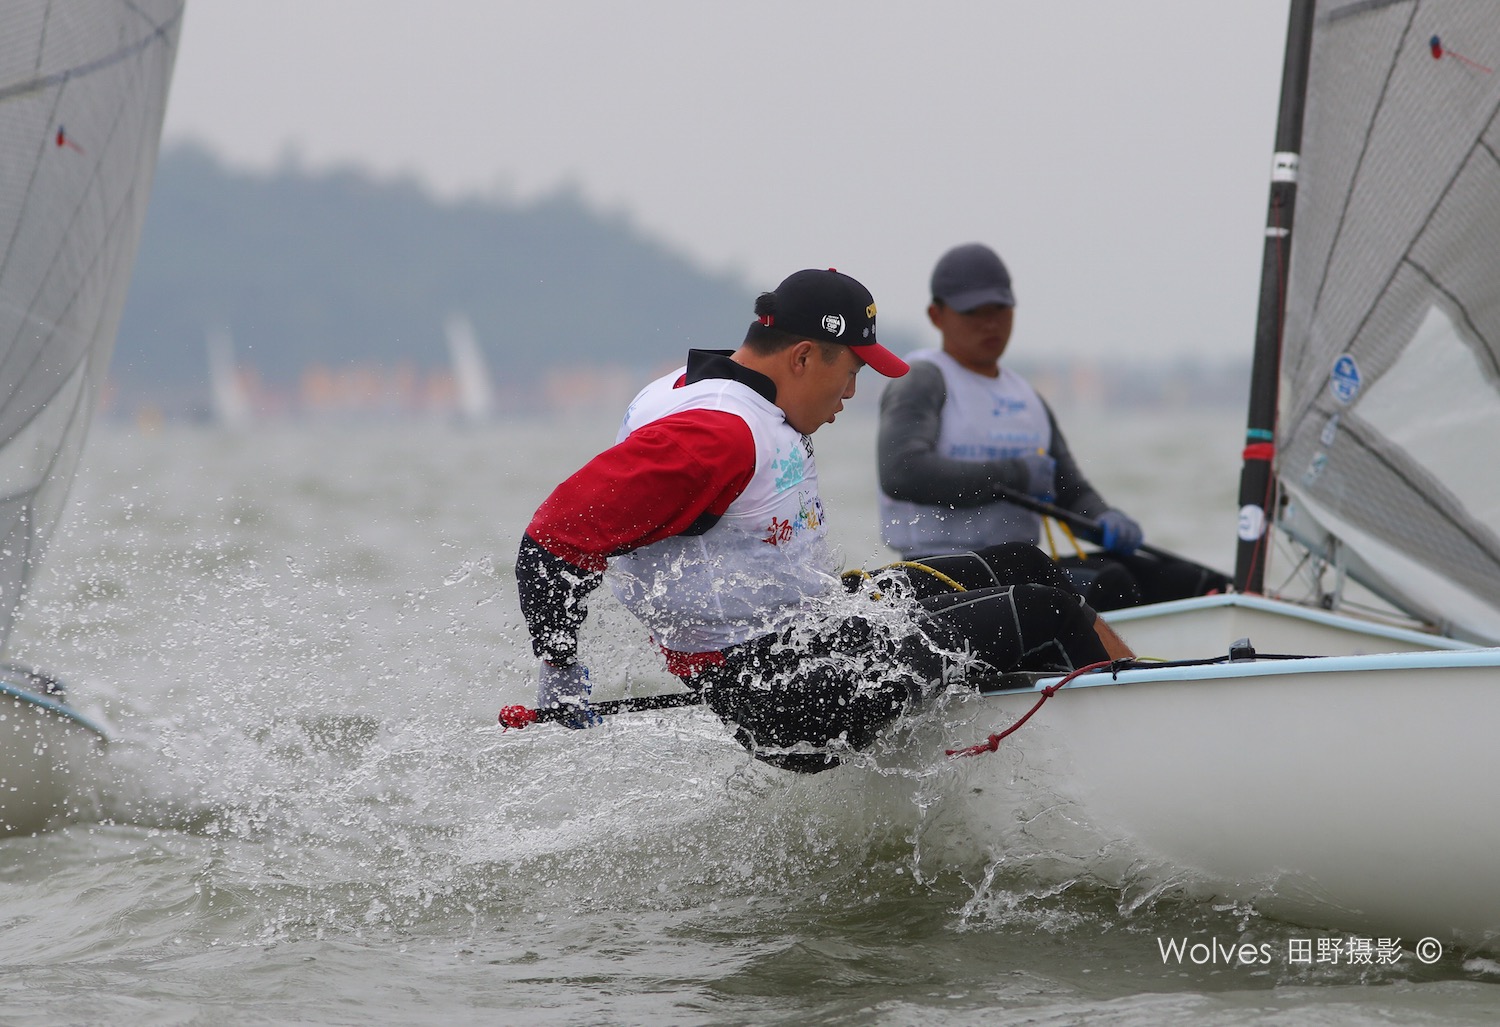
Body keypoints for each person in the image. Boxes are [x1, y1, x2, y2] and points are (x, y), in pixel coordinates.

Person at [515, 268, 1132, 774]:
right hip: (781, 691)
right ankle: (1140, 735)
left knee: (1021, 563)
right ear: (805, 356)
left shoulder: (708, 386)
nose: (852, 393)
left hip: (814, 633)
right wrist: (561, 671)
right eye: (853, 371)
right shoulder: (715, 436)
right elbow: (550, 541)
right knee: (1048, 611)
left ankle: (1063, 720)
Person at [877, 243, 1228, 609]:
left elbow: (1068, 491)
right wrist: (1014, 474)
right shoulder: (920, 380)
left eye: (999, 308)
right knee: (1112, 586)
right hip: (941, 571)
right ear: (936, 315)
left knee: (1187, 581)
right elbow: (902, 472)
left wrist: (1104, 517)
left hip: (1018, 568)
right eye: (973, 311)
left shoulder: (1027, 396)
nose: (990, 322)